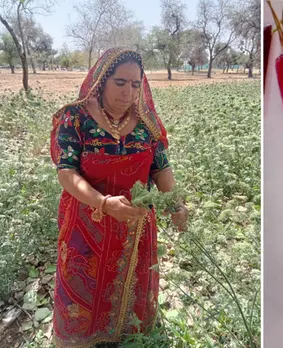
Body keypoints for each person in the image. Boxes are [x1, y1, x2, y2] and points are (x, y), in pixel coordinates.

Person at [49, 46, 188, 347]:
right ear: (101, 80)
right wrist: (102, 203)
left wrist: (176, 203)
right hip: (88, 221)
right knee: (85, 286)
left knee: (133, 287)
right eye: (120, 83)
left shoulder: (147, 126)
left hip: (135, 224)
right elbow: (66, 173)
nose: (128, 93)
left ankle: (128, 335)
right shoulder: (75, 118)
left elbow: (161, 169)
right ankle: (83, 338)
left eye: (136, 85)